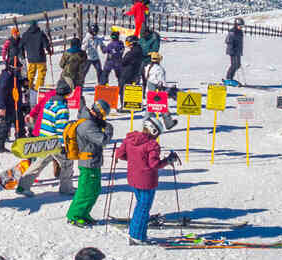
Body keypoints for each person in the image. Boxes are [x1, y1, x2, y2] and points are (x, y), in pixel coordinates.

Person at [114, 116, 180, 244]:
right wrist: (168, 160)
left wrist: (135, 160)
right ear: (154, 131)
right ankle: (136, 236)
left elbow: (120, 154)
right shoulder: (152, 145)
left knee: (140, 206)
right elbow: (154, 164)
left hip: (133, 178)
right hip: (146, 181)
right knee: (143, 208)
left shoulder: (130, 138)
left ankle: (137, 232)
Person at [16, 79, 75, 197]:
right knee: (67, 163)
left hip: (45, 138)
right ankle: (66, 188)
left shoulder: (49, 102)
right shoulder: (62, 108)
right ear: (68, 92)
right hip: (55, 142)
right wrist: (63, 145)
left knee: (39, 163)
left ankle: (23, 186)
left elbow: (44, 120)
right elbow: (61, 128)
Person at [66, 99, 114, 227]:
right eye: (102, 115)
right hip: (88, 163)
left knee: (94, 190)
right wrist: (108, 129)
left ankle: (84, 213)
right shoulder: (88, 125)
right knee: (85, 191)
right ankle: (74, 216)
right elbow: (102, 140)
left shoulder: (91, 122)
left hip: (93, 161)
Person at [0, 62, 29, 153]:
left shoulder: (14, 75)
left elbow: (15, 84)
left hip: (16, 104)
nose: (20, 70)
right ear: (13, 68)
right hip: (8, 106)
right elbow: (0, 93)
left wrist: (23, 82)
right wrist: (2, 107)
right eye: (18, 68)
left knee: (20, 124)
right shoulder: (6, 77)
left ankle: (21, 143)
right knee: (5, 126)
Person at [144, 52, 178, 129]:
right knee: (162, 106)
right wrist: (168, 89)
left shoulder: (148, 67)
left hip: (149, 88)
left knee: (150, 107)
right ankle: (168, 123)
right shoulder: (159, 69)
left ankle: (146, 122)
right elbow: (162, 82)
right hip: (158, 89)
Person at [20, 20, 52, 90]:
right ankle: (38, 88)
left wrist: (22, 55)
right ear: (37, 25)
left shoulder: (25, 35)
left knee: (30, 74)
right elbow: (46, 44)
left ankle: (29, 88)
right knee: (41, 74)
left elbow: (20, 45)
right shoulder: (40, 34)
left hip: (31, 59)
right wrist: (49, 51)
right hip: (41, 58)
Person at [117, 37, 144, 104]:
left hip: (127, 73)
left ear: (132, 43)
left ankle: (124, 106)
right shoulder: (139, 50)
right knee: (130, 89)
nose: (127, 45)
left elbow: (123, 62)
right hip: (134, 73)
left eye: (128, 43)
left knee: (123, 89)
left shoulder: (132, 52)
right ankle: (130, 104)